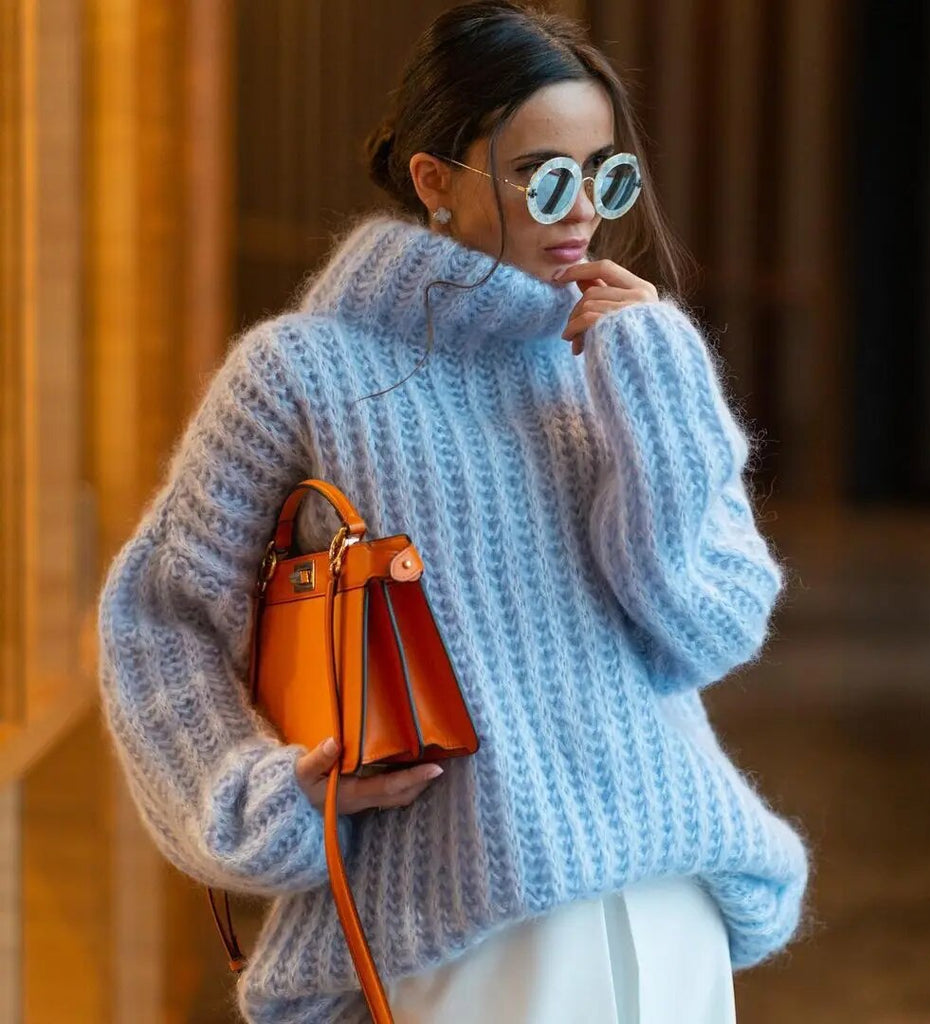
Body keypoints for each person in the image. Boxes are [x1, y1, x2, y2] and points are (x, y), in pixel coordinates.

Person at [96, 2, 810, 1022]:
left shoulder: (621, 359)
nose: (582, 213)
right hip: (470, 938)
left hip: (669, 912)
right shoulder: (302, 375)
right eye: (542, 176)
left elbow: (707, 625)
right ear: (435, 180)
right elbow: (160, 621)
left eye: (606, 176)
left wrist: (660, 378)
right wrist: (268, 797)